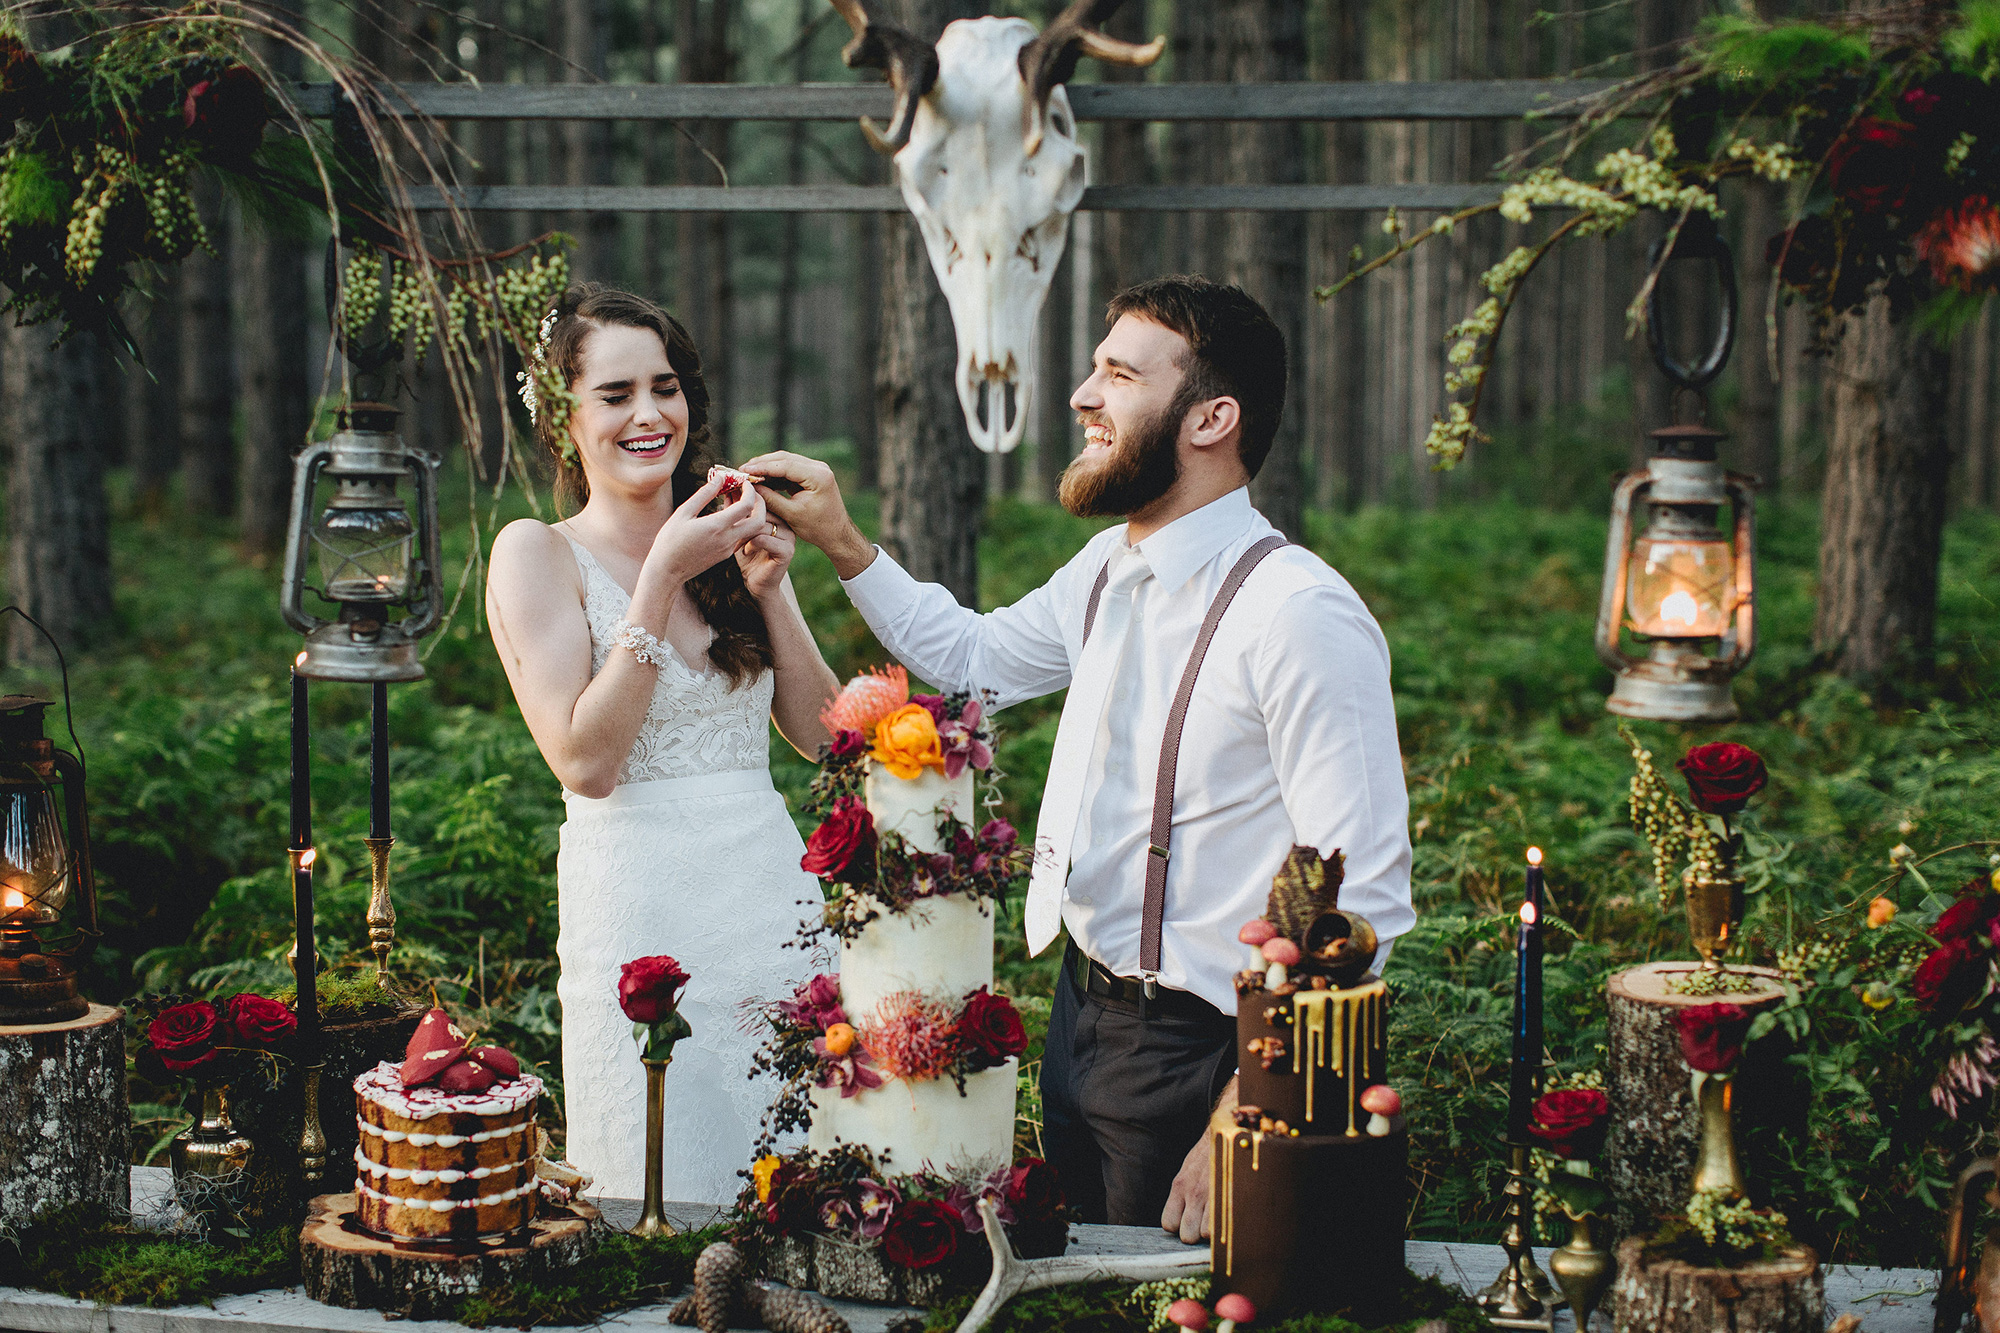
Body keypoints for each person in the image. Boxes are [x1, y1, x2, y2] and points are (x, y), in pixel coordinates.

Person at [749, 274, 1414, 1240]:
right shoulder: (1109, 566)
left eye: (1118, 374)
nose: (1082, 397)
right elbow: (973, 658)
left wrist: (1253, 1106)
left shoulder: (1299, 615)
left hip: (1214, 1051)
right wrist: (845, 543)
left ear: (1210, 417)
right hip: (1080, 1020)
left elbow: (1365, 901)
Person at [486, 284, 839, 1204]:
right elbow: (585, 762)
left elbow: (821, 738)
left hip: (772, 913)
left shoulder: (725, 546)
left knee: (800, 1190)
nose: (650, 414)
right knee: (659, 1193)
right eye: (614, 395)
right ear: (564, 420)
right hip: (642, 924)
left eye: (666, 386)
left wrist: (771, 589)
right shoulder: (537, 553)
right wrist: (658, 580)